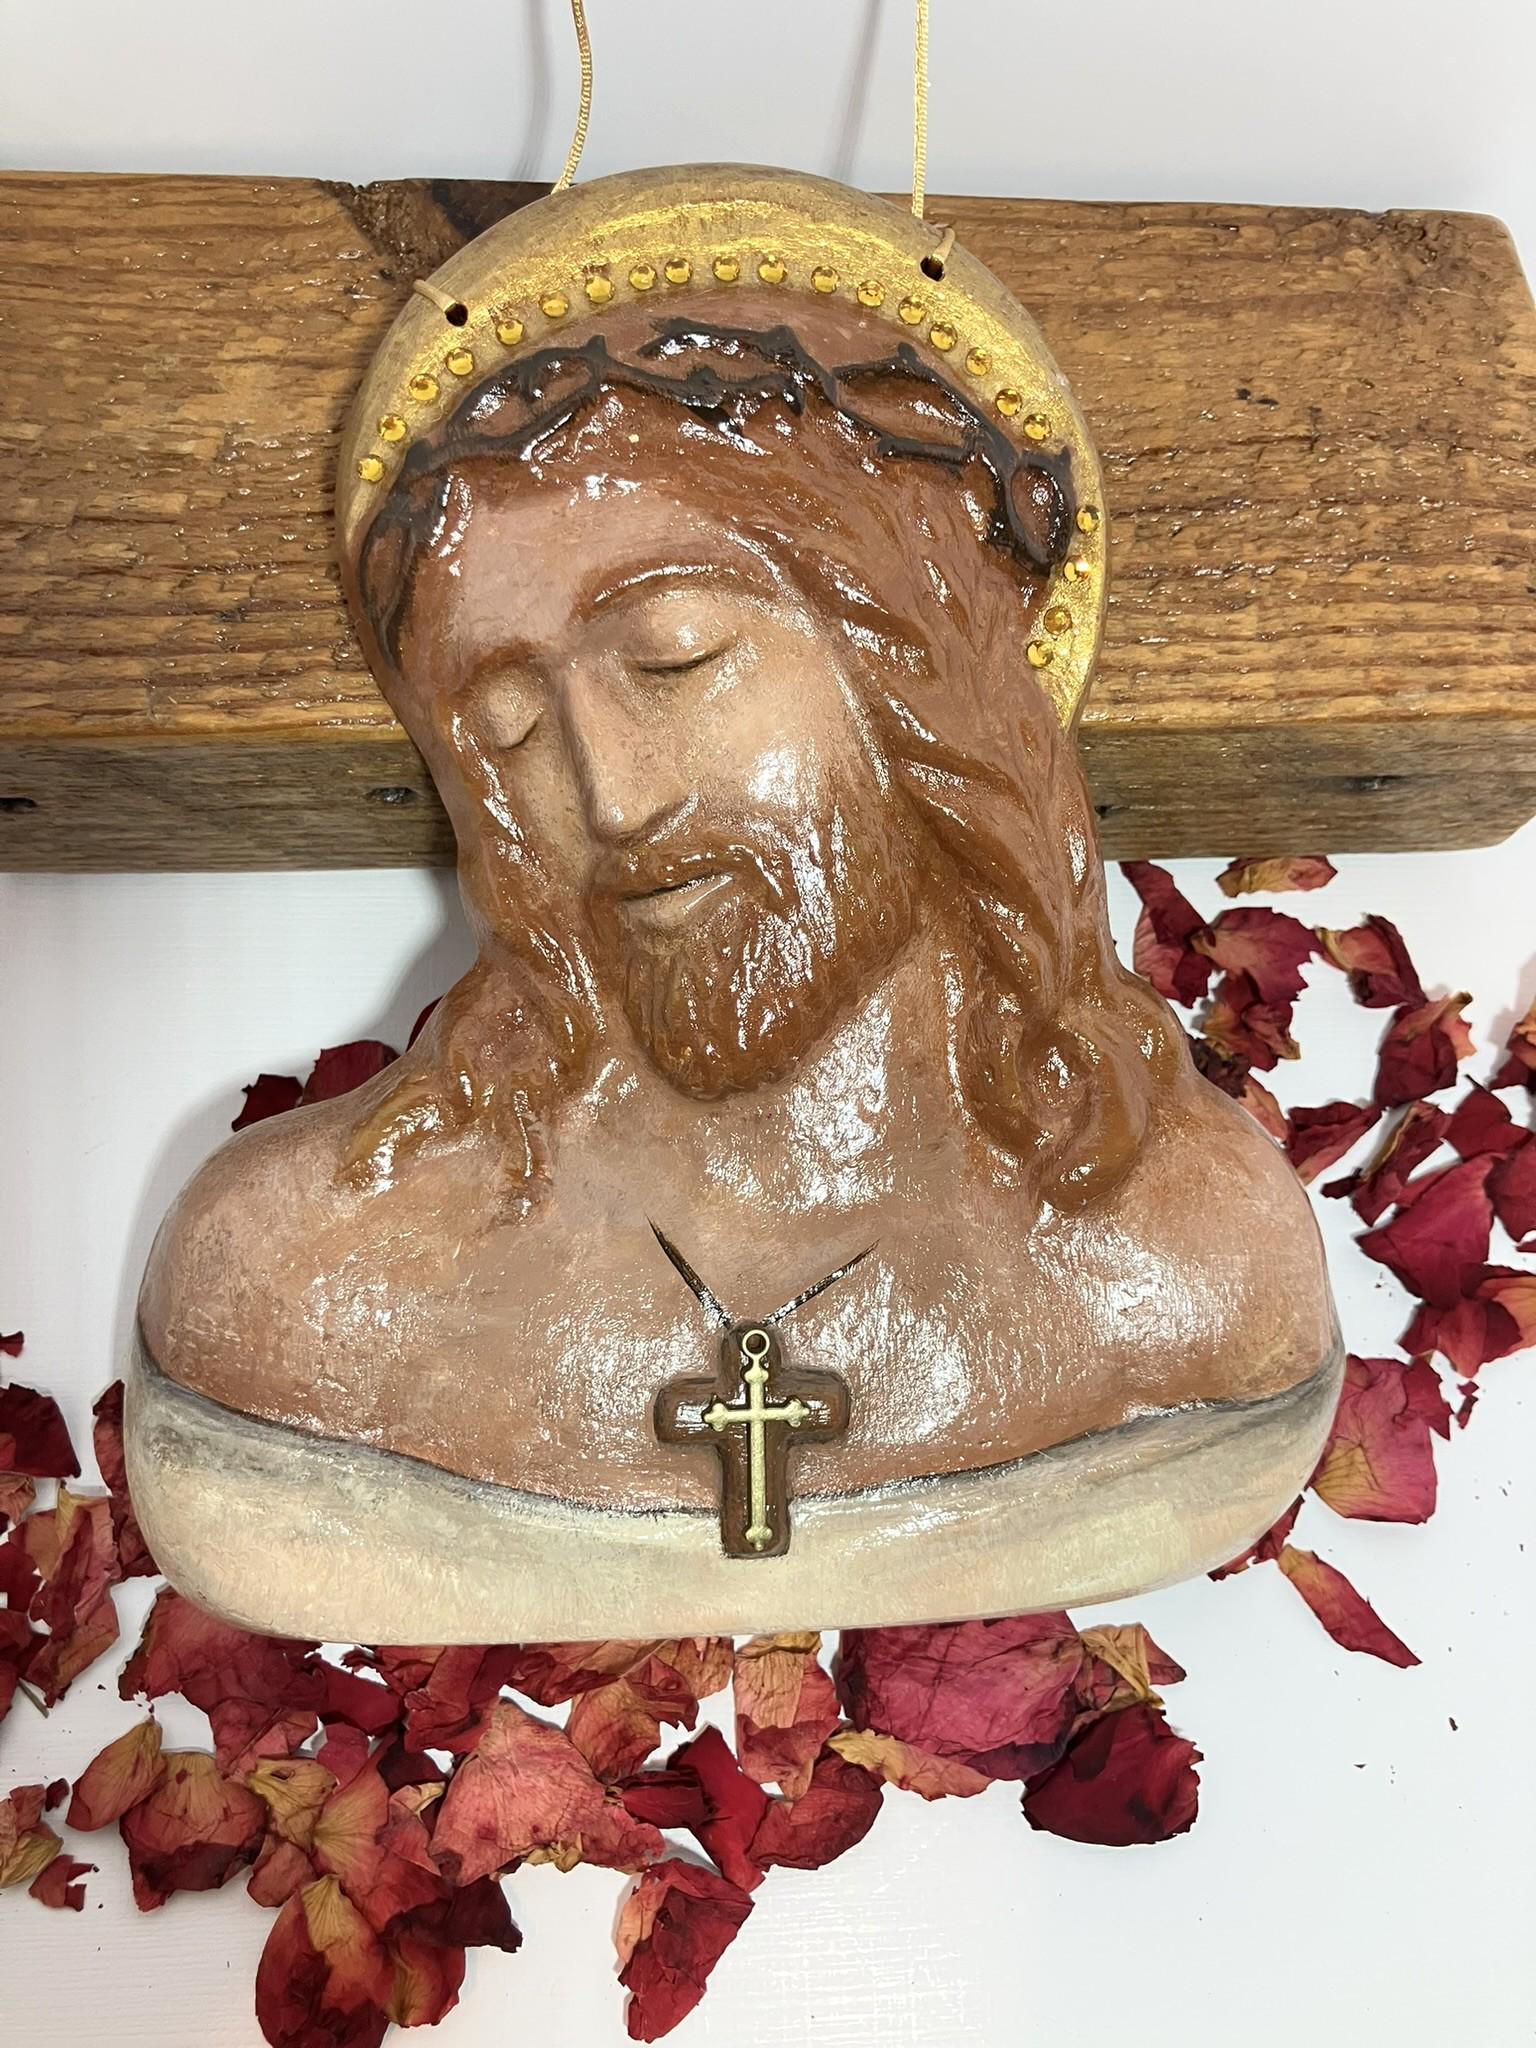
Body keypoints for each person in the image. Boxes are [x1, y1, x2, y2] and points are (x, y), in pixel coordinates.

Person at [127, 172, 1340, 1641]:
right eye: (508, 725)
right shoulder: (308, 1286)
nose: (612, 798)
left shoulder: (1193, 1267)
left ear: (923, 664)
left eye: (675, 657)